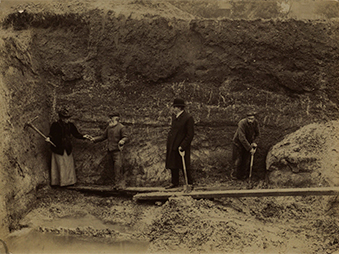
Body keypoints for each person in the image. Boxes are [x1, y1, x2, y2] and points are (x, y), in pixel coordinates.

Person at [46, 107, 92, 187]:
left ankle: (69, 182)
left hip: (67, 147)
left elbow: (76, 134)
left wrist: (84, 136)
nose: (66, 120)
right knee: (60, 165)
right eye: (64, 118)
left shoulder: (70, 125)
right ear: (61, 117)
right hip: (58, 148)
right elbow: (52, 134)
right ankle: (58, 182)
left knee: (68, 165)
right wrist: (49, 138)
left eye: (67, 118)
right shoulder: (55, 125)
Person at [92, 112, 128, 189]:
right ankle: (110, 184)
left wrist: (122, 140)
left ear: (116, 119)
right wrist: (94, 139)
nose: (110, 120)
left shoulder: (121, 128)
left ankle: (118, 185)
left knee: (117, 168)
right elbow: (103, 136)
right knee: (109, 167)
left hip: (117, 151)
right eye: (110, 118)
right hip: (109, 151)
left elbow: (126, 137)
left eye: (111, 118)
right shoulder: (109, 128)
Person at [165, 98, 194, 189]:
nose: (173, 108)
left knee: (185, 164)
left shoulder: (188, 118)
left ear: (179, 107)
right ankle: (174, 182)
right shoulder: (175, 117)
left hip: (181, 146)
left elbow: (190, 134)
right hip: (173, 145)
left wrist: (183, 145)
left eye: (174, 107)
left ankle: (189, 183)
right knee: (173, 164)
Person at [231, 111, 260, 180]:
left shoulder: (255, 123)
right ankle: (234, 177)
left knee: (246, 160)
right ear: (246, 118)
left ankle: (243, 177)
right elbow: (242, 137)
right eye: (249, 119)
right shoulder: (242, 123)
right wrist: (250, 149)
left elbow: (258, 134)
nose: (250, 121)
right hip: (238, 143)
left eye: (252, 119)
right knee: (237, 160)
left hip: (247, 143)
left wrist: (255, 143)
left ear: (254, 118)